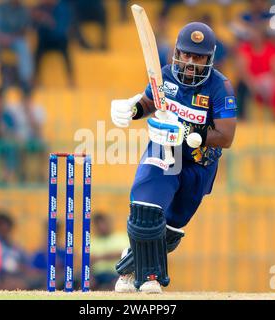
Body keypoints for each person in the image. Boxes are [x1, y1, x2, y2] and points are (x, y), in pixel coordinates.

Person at [110, 22, 237, 293]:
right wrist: (133, 110)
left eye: (198, 56)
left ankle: (128, 266)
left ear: (209, 58)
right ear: (177, 52)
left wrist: (195, 133)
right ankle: (150, 277)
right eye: (186, 54)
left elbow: (226, 136)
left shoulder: (220, 86)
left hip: (199, 164)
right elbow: (149, 103)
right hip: (166, 153)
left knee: (169, 231)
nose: (190, 62)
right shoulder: (166, 76)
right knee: (147, 209)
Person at [32, 0, 75, 88]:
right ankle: (36, 80)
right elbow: (33, 27)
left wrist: (48, 21)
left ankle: (71, 80)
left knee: (67, 54)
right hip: (45, 40)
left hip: (59, 39)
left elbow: (62, 29)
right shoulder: (40, 8)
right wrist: (37, 19)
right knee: (37, 54)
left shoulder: (62, 8)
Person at [91, 212, 129, 291]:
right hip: (97, 275)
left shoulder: (121, 237)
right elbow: (87, 260)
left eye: (103, 223)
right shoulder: (91, 242)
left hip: (117, 274)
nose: (101, 226)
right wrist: (111, 255)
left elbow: (125, 254)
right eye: (98, 224)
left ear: (109, 223)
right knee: (88, 281)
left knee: (117, 283)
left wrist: (99, 257)